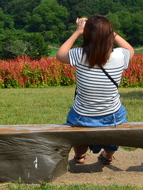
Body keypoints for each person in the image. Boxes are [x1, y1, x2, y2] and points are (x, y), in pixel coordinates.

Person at [56, 15, 134, 165]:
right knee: (115, 130)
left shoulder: (79, 54)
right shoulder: (120, 56)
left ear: (87, 35)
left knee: (78, 130)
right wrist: (110, 32)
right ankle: (108, 156)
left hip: (82, 116)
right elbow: (130, 49)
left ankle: (79, 156)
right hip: (112, 115)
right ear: (109, 34)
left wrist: (78, 31)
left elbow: (60, 54)